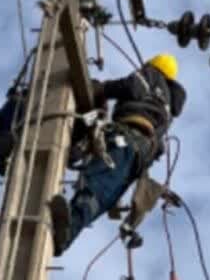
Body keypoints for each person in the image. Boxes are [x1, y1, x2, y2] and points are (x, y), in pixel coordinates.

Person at [48, 53, 185, 256]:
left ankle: (67, 228)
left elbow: (130, 87)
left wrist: (101, 89)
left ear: (153, 66)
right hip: (137, 161)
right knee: (103, 197)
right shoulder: (167, 109)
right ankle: (66, 236)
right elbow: (160, 147)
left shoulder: (151, 75)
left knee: (96, 186)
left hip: (125, 139)